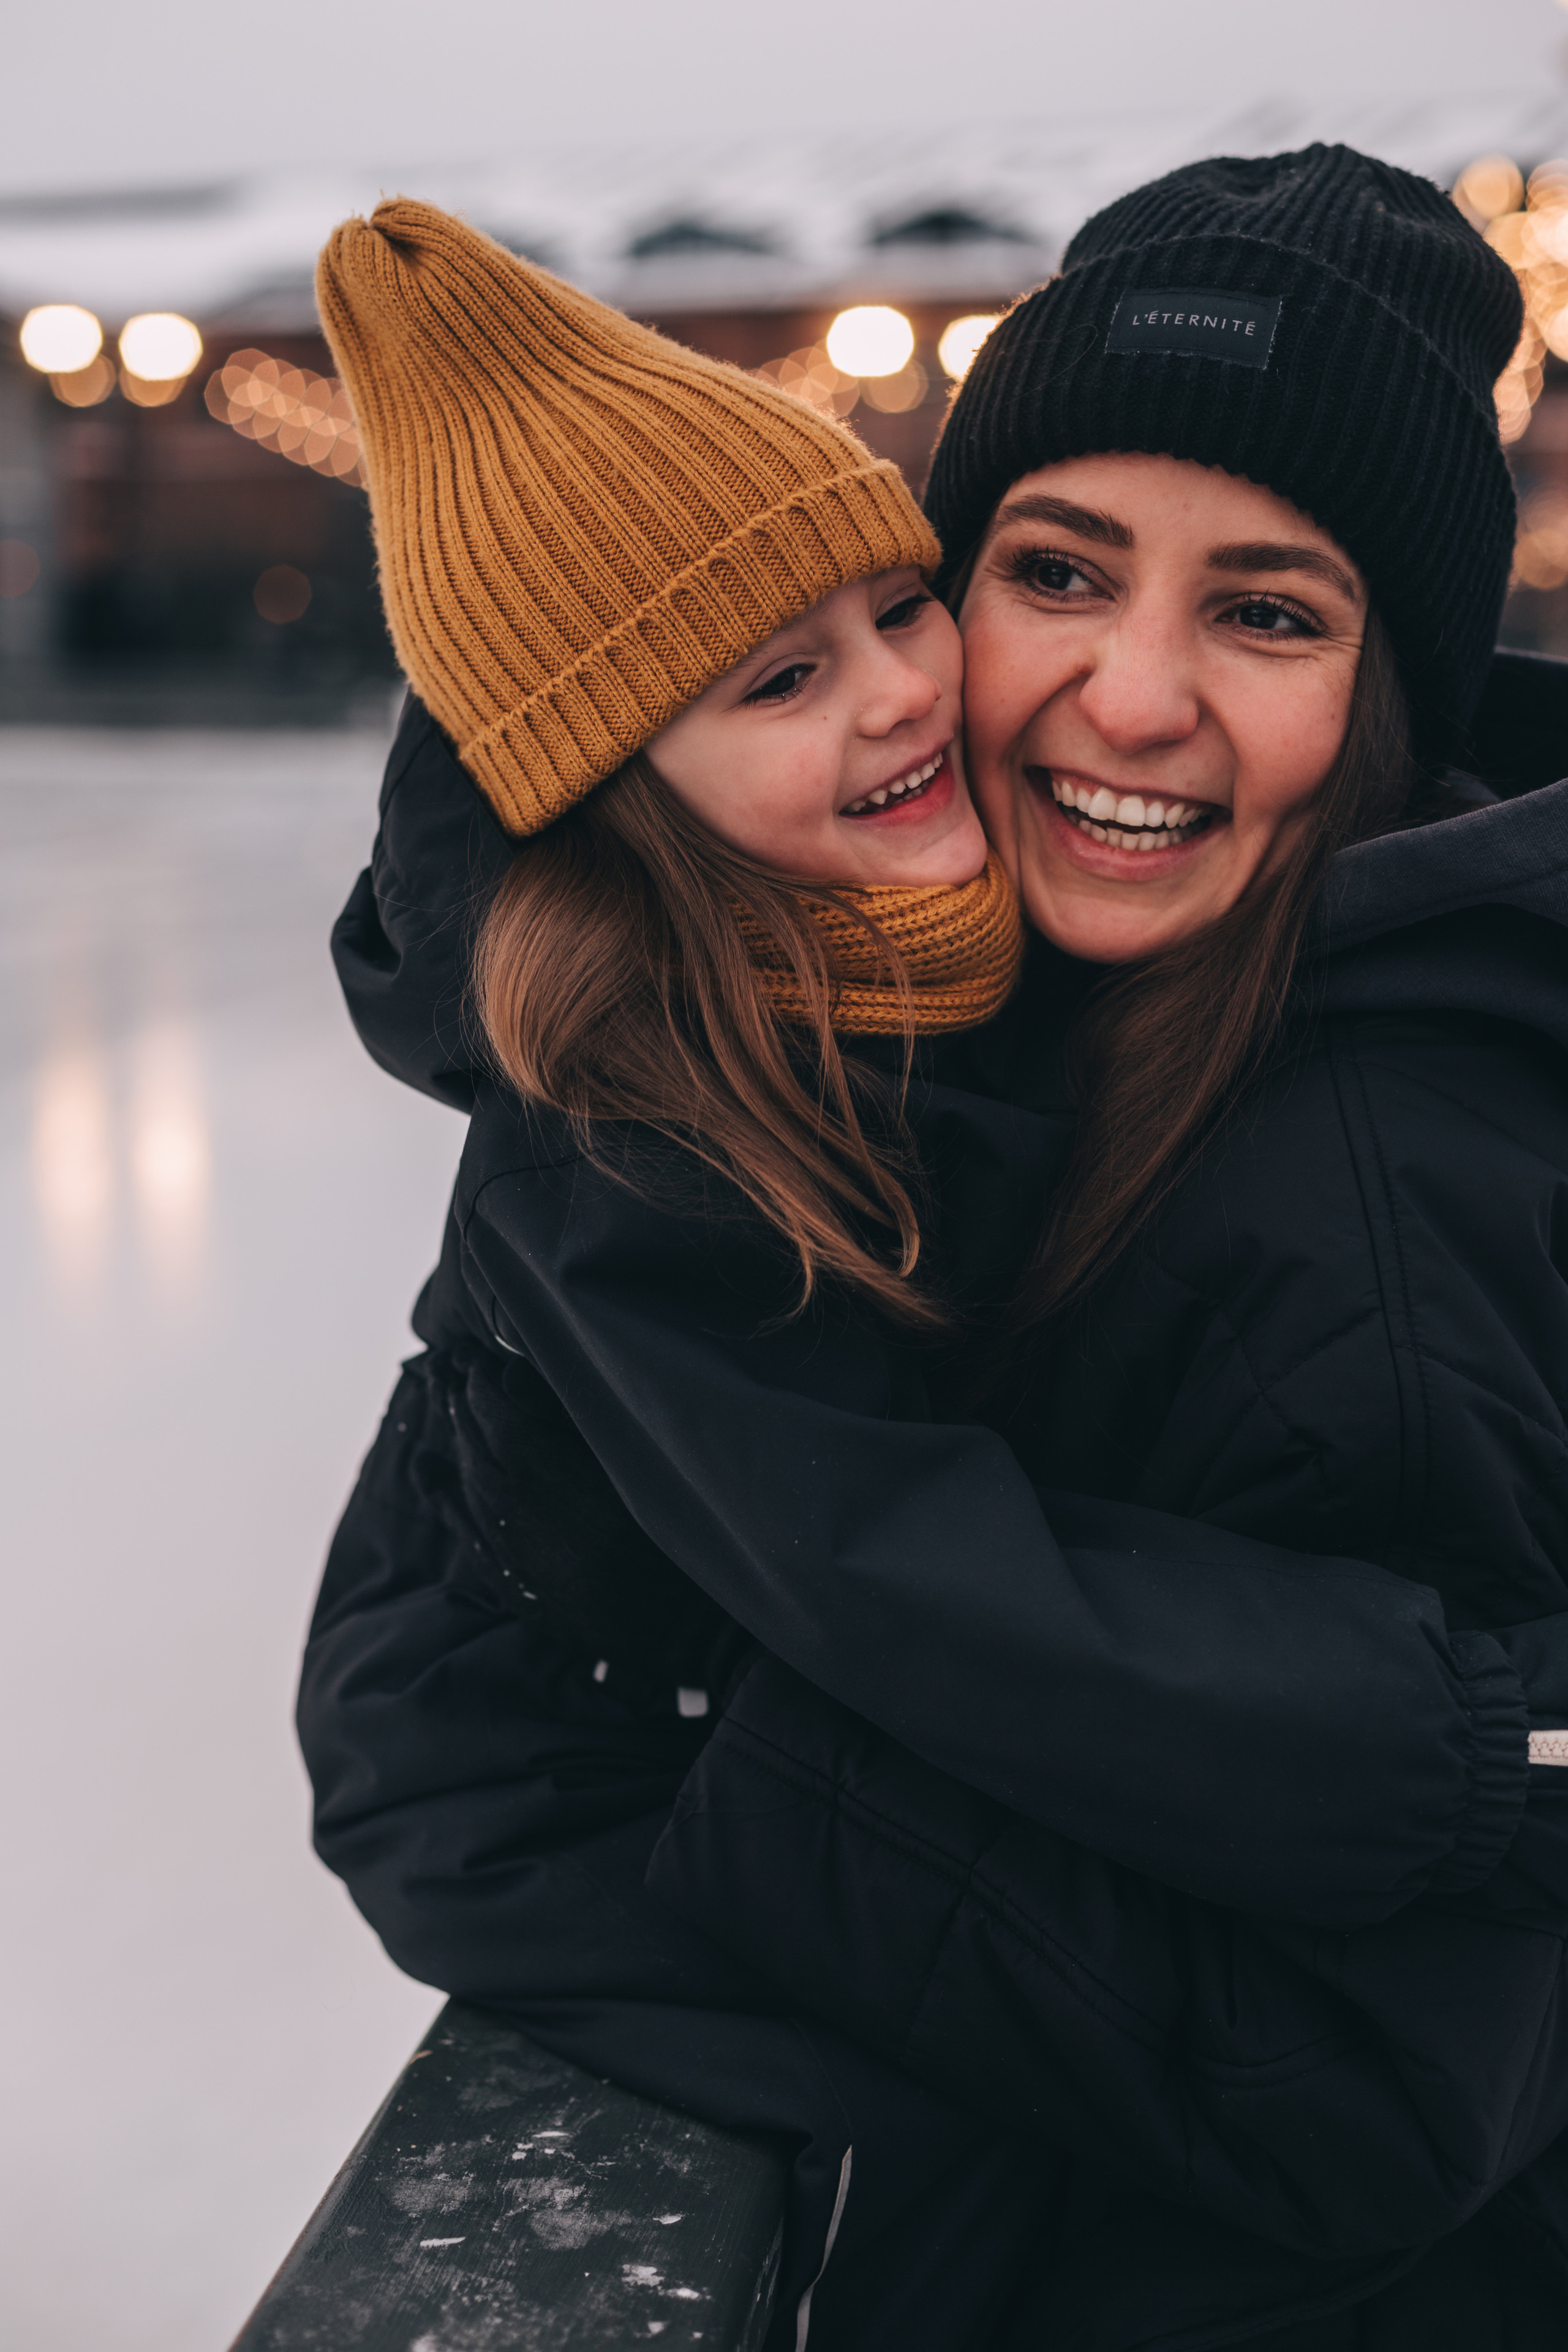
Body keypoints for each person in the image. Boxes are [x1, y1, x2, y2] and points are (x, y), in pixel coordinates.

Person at [298, 170, 1568, 2348]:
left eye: (1270, 614)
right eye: (1055, 573)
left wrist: (1486, 1754)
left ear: (1393, 691)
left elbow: (1375, 2090)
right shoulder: (829, 1026)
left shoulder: (1352, 1194)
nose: (1129, 699)